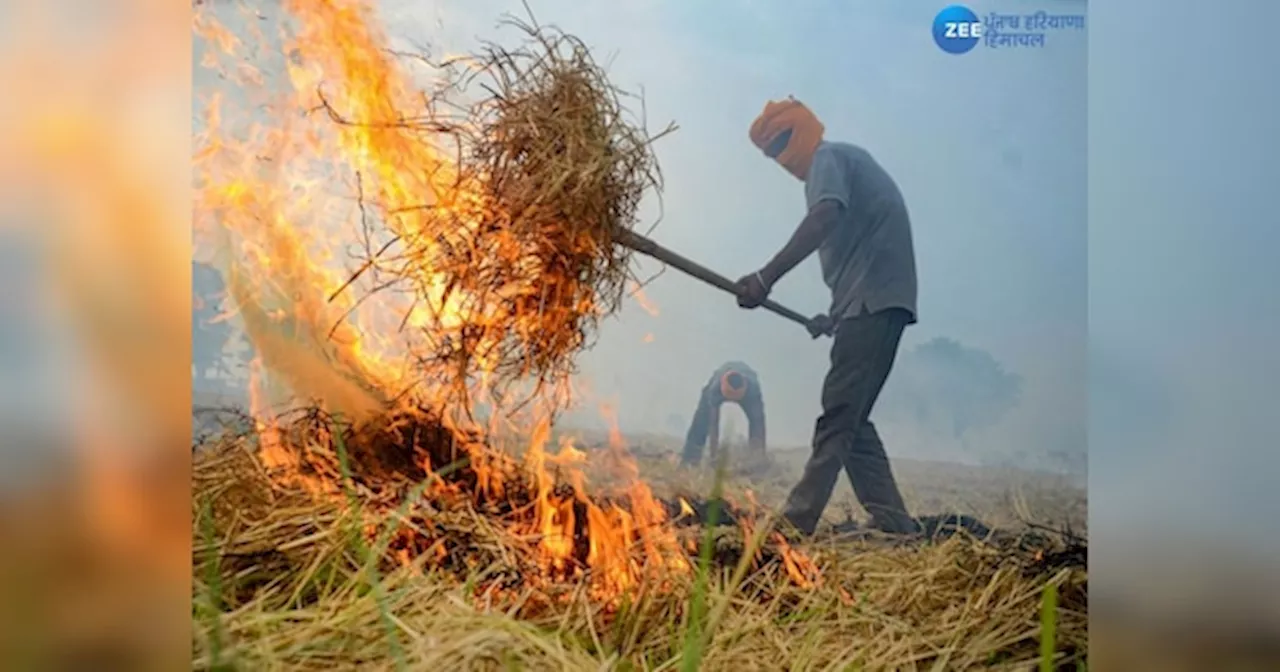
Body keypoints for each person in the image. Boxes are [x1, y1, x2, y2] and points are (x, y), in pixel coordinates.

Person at [734, 97, 920, 536]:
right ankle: (895, 524)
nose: (780, 156)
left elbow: (824, 218)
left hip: (873, 304)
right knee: (851, 418)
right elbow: (861, 249)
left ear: (801, 130)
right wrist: (834, 317)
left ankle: (796, 523)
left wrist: (765, 277)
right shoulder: (842, 160)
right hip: (867, 305)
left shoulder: (828, 158)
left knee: (838, 415)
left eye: (781, 142)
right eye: (771, 152)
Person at [680, 361, 766, 467]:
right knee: (701, 421)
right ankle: (689, 460)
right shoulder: (715, 389)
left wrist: (758, 455)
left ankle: (757, 463)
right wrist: (713, 456)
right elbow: (713, 424)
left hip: (748, 387)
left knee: (757, 422)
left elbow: (758, 425)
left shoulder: (752, 390)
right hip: (719, 382)